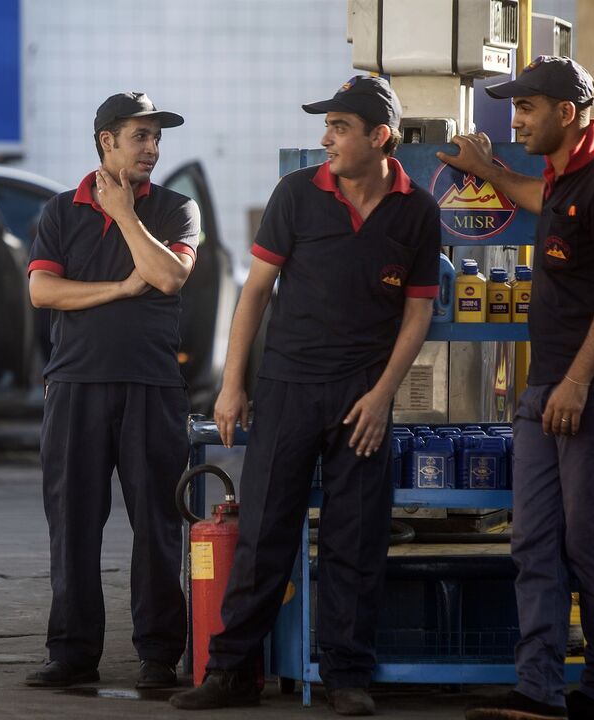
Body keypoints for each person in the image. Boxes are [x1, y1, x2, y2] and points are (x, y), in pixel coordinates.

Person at [169, 76, 439, 716]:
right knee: (263, 531)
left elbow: (417, 316)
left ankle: (347, 674)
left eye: (340, 127)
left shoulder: (417, 211)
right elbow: (255, 291)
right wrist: (233, 385)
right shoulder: (296, 194)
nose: (326, 138)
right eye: (327, 126)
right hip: (286, 387)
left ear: (379, 137)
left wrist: (382, 397)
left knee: (356, 537)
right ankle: (233, 671)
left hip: (362, 399)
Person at [441, 57, 594, 720]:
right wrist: (489, 172)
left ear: (566, 111)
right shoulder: (565, 179)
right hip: (545, 394)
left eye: (527, 107)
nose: (515, 119)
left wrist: (577, 381)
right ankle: (537, 689)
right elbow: (539, 200)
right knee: (532, 542)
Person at [23, 92, 200, 690]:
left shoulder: (177, 208)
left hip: (153, 385)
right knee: (72, 522)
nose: (152, 148)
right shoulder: (59, 212)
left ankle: (158, 655)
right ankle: (72, 653)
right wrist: (120, 290)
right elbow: (44, 293)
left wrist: (125, 215)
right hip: (74, 385)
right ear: (107, 142)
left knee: (157, 523)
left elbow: (170, 276)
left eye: (156, 138)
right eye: (140, 137)